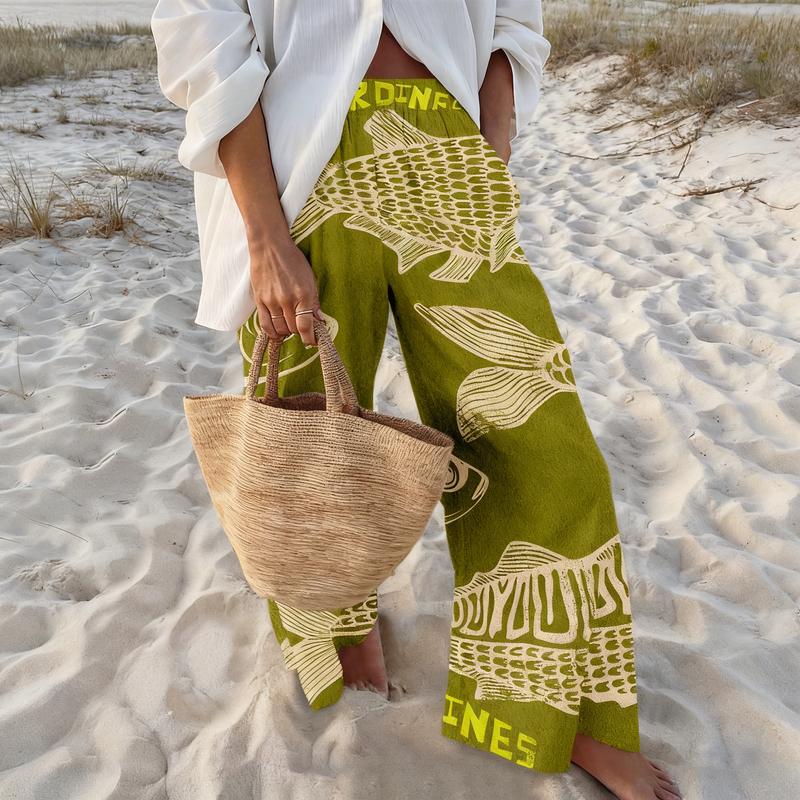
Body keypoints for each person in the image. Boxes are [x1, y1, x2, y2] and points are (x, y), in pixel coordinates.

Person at [151, 2, 681, 797]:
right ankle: (338, 626)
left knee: (546, 448)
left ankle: (558, 707)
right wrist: (263, 236)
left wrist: (489, 149)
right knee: (309, 439)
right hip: (294, 168)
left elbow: (513, 23)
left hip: (448, 153)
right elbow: (206, 39)